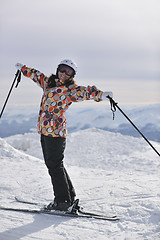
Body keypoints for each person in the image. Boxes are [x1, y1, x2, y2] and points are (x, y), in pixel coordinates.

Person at [15, 59, 113, 212]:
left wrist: (101, 95)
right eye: (62, 69)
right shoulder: (48, 83)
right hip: (44, 131)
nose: (64, 73)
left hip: (56, 133)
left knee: (54, 165)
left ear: (72, 75)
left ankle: (62, 202)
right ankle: (69, 197)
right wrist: (23, 69)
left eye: (69, 71)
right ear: (58, 69)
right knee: (55, 164)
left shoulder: (70, 90)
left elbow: (86, 91)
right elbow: (36, 75)